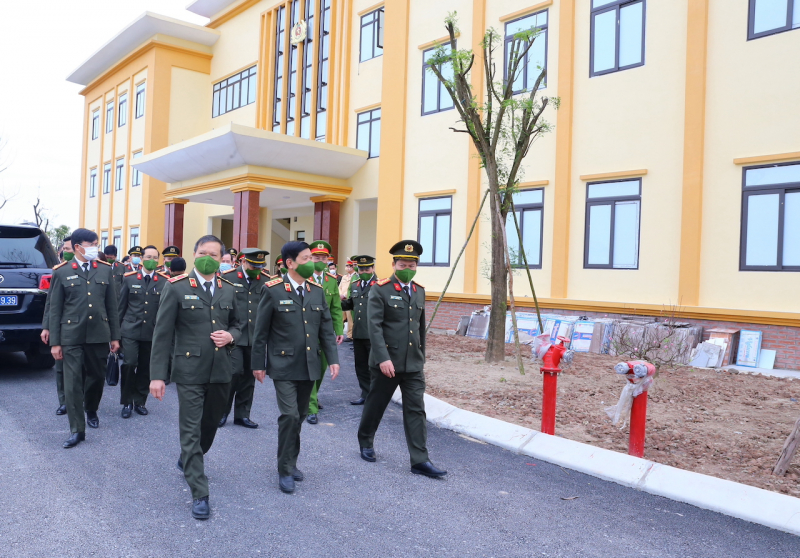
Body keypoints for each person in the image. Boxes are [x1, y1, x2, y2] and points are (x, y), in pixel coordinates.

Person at [149, 235, 241, 521]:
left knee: (210, 426)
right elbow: (162, 334)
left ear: (223, 259)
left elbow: (240, 324)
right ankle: (200, 493)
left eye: (214, 255)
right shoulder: (176, 287)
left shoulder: (228, 289)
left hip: (221, 371)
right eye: (203, 252)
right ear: (194, 253)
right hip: (189, 371)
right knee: (190, 429)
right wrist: (157, 376)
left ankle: (188, 459)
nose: (208, 258)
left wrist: (231, 336)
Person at [251, 241, 340, 494]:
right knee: (289, 415)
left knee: (299, 416)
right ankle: (285, 469)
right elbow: (261, 332)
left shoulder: (317, 290)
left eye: (311, 257)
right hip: (283, 364)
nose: (311, 262)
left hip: (309, 364)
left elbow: (325, 328)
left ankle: (291, 459)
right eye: (305, 258)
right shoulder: (273, 290)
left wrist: (333, 359)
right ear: (290, 263)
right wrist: (258, 363)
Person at [357, 240, 446, 478]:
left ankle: (420, 460)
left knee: (416, 410)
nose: (407, 267)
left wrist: (421, 356)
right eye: (403, 263)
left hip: (412, 364)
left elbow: (419, 328)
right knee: (376, 404)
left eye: (412, 264)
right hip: (387, 362)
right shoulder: (380, 288)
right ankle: (365, 440)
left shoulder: (419, 291)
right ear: (394, 264)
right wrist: (382, 358)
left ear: (416, 266)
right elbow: (373, 326)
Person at [47, 228, 121, 448]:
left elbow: (112, 307)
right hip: (71, 336)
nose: (95, 248)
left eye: (96, 244)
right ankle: (77, 429)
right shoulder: (62, 272)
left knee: (97, 378)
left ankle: (91, 408)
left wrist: (115, 337)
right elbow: (55, 309)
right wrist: (55, 342)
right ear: (78, 247)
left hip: (99, 335)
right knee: (72, 384)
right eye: (91, 244)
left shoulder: (105, 271)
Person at [218, 248, 271, 429]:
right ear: (243, 262)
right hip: (234, 335)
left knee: (249, 376)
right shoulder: (228, 277)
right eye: (253, 265)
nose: (257, 269)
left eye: (260, 266)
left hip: (255, 336)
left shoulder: (266, 280)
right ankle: (222, 412)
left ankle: (242, 414)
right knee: (233, 373)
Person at [117, 245, 168, 418]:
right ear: (141, 258)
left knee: (146, 368)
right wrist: (115, 336)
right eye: (148, 257)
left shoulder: (163, 281)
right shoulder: (129, 279)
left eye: (155, 258)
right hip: (130, 330)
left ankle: (140, 401)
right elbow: (121, 307)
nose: (151, 261)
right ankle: (126, 402)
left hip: (151, 332)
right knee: (129, 364)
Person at [305, 240, 344, 424]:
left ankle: (312, 396)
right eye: (316, 257)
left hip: (325, 332)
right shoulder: (304, 278)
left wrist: (338, 329)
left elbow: (336, 307)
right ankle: (310, 407)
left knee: (321, 368)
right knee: (310, 368)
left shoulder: (331, 280)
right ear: (310, 258)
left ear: (328, 259)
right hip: (307, 330)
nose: (319, 260)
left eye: (323, 257)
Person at [42, 235, 73, 415]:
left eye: (69, 249)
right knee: (60, 367)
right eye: (65, 249)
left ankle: (79, 398)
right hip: (60, 325)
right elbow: (50, 303)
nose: (66, 252)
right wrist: (46, 326)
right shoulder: (58, 271)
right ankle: (64, 401)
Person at [341, 255, 377, 405]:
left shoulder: (380, 285)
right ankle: (365, 393)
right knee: (360, 366)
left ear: (373, 268)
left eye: (367, 268)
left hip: (374, 335)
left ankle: (375, 396)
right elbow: (350, 304)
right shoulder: (355, 285)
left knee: (374, 367)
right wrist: (333, 303)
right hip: (359, 333)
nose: (363, 271)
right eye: (360, 268)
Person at [339, 258, 358, 342]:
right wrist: (340, 295)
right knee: (340, 317)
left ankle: (350, 335)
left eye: (349, 266)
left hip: (349, 299)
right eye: (346, 266)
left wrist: (345, 295)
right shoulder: (344, 277)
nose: (347, 268)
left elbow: (351, 289)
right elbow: (339, 287)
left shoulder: (355, 276)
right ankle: (339, 333)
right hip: (342, 299)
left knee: (350, 319)